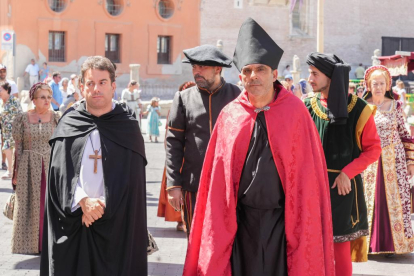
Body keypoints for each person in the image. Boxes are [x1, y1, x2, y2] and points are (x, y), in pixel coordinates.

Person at [183, 18, 335, 276]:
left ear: (274, 74)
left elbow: (307, 176)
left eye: (261, 69)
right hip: (239, 223)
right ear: (240, 76)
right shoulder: (230, 115)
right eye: (247, 70)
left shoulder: (296, 112)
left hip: (284, 221)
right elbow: (216, 179)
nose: (253, 76)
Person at [40, 56, 147, 275]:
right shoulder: (69, 123)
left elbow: (133, 181)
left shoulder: (128, 127)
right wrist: (82, 201)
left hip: (116, 223)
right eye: (90, 83)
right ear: (81, 87)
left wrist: (103, 206)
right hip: (74, 221)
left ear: (113, 86)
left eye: (102, 82)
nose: (96, 88)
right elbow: (58, 174)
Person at [304, 53, 382, 276]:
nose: (309, 78)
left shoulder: (359, 109)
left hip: (343, 187)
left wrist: (347, 173)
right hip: (312, 186)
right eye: (310, 73)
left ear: (330, 76)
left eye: (314, 74)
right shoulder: (307, 105)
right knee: (312, 245)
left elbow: (373, 149)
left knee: (339, 247)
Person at [165, 44, 241, 238]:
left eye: (202, 67)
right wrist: (173, 184)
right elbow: (173, 143)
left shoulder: (238, 96)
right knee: (196, 241)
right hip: (194, 185)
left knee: (228, 242)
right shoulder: (183, 98)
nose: (196, 72)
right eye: (194, 68)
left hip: (231, 186)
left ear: (218, 69)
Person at [362, 65, 414, 255]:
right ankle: (368, 244)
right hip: (369, 161)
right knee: (369, 199)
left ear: (387, 86)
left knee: (394, 200)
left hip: (395, 161)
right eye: (374, 83)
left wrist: (410, 162)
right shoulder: (362, 107)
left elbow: (405, 134)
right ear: (368, 85)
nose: (378, 87)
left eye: (381, 83)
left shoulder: (396, 106)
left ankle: (395, 244)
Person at [11, 83, 59, 254]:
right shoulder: (22, 119)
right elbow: (18, 146)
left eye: (48, 97)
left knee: (48, 204)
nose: (47, 101)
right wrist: (15, 172)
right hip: (28, 165)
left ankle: (49, 243)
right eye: (42, 97)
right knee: (30, 204)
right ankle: (31, 244)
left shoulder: (56, 118)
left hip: (49, 164)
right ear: (34, 99)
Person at [157, 81, 196, 232]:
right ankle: (180, 220)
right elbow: (170, 134)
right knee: (176, 187)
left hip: (193, 153)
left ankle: (187, 219)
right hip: (180, 153)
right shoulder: (177, 107)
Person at [0, 82, 22, 179]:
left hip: (15, 130)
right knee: (7, 149)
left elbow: (21, 114)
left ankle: (11, 171)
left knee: (8, 149)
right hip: (6, 131)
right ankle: (12, 171)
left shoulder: (14, 100)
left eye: (1, 89)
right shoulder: (2, 102)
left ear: (7, 90)